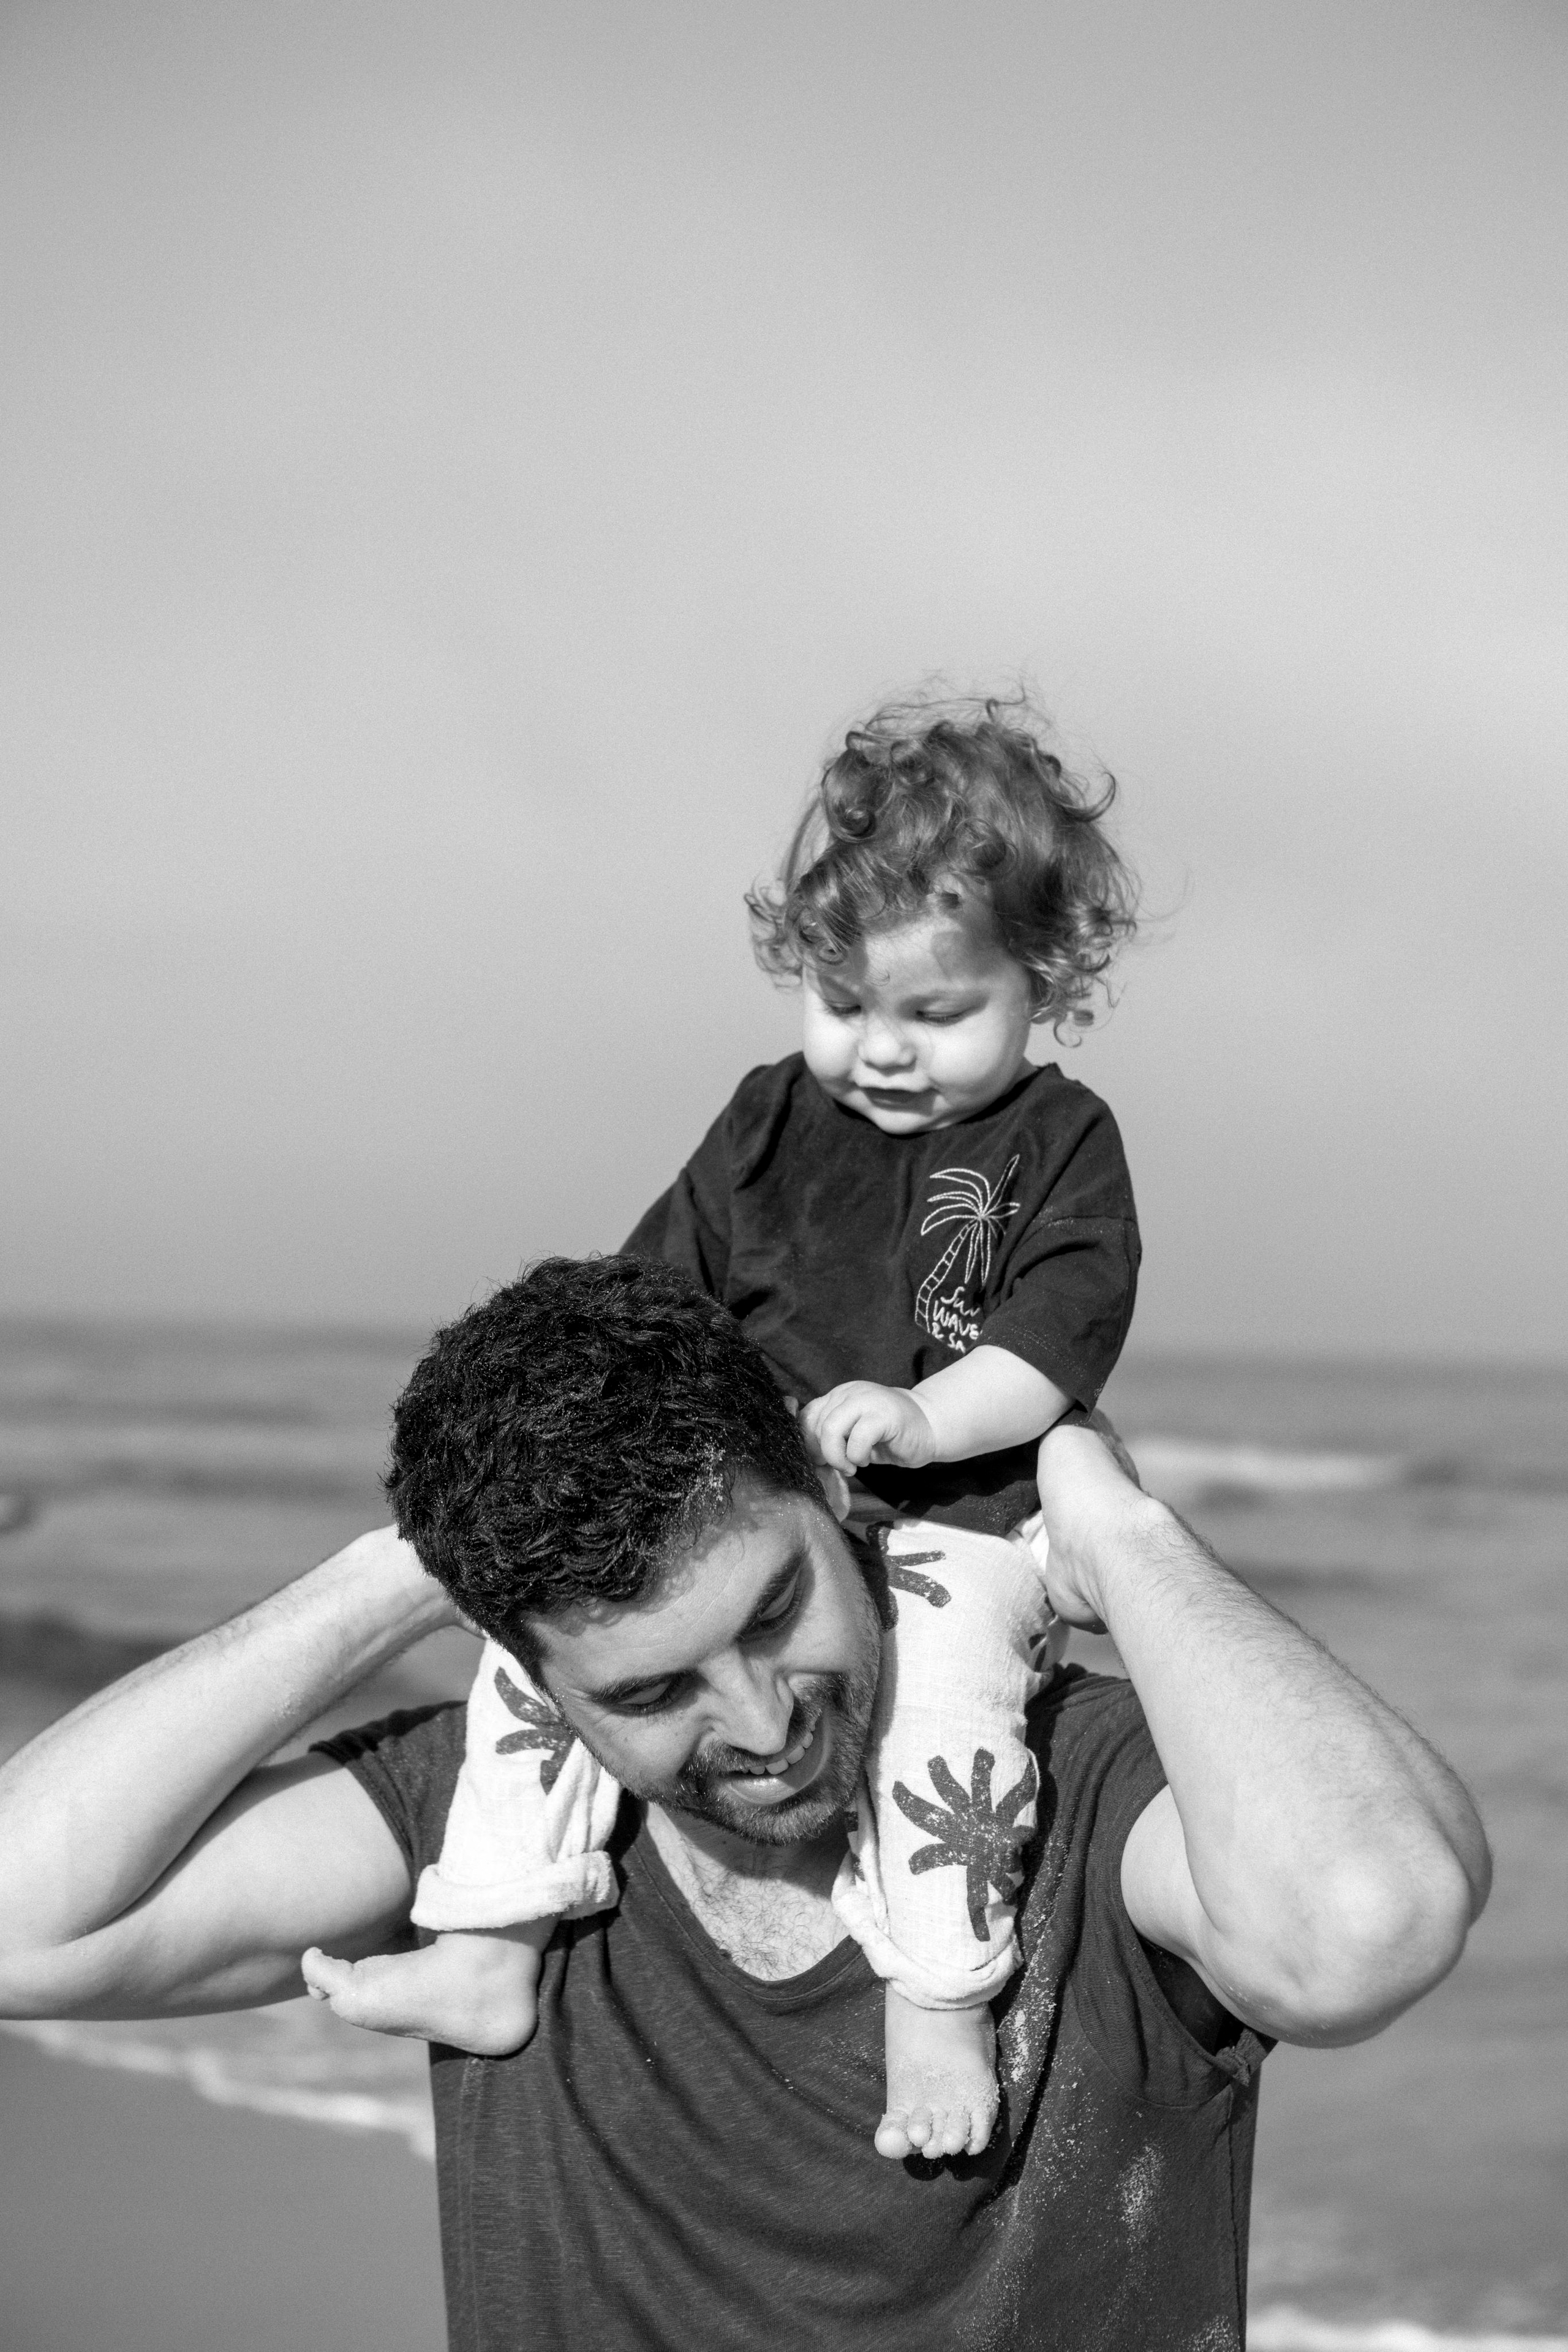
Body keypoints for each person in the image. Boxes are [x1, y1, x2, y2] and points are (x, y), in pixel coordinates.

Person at [0, 1257, 1488, 2352]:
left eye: (775, 1608)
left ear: (834, 1500)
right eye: (652, 1694)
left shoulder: (1070, 1786)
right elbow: (20, 1924)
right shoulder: (496, 1839)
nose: (764, 1723)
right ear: (535, 1682)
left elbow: (1363, 1923)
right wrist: (390, 1579)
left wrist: (1122, 1538)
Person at [303, 693, 1142, 2162]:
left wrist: (921, 1413)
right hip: (739, 1514)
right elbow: (645, 1302)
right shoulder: (763, 1120)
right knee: (537, 1660)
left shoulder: (1055, 1145)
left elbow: (1055, 1341)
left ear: (1046, 978)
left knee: (943, 1731)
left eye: (935, 1015)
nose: (881, 1051)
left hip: (956, 1515)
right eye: (842, 1006)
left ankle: (938, 1999)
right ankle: (490, 1939)